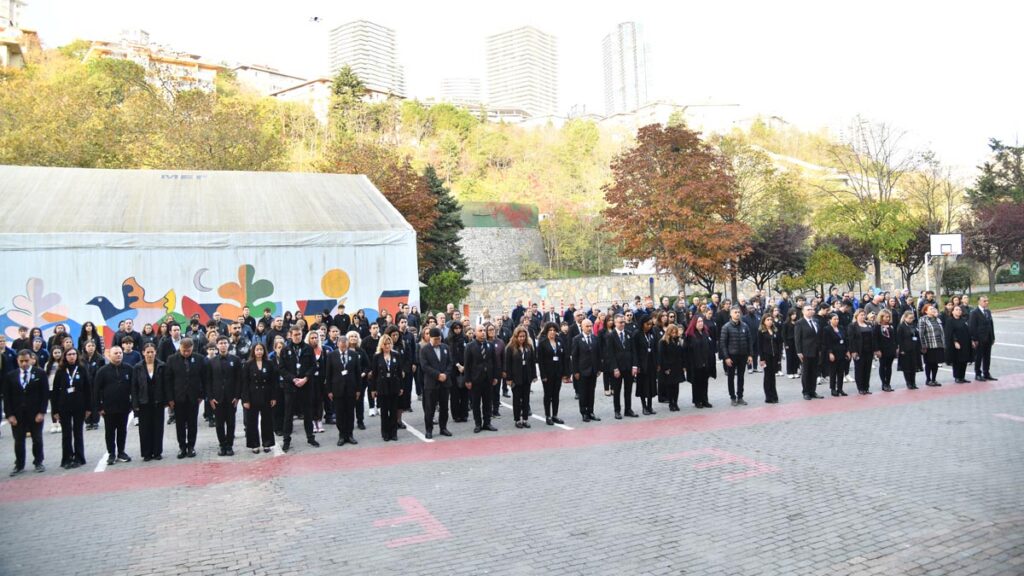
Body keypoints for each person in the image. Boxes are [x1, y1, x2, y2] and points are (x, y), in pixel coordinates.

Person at [3, 350, 49, 475]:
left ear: (31, 359)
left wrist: (42, 412)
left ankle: (38, 462)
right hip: (17, 414)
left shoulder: (40, 373)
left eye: (26, 361)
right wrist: (9, 415)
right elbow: (7, 398)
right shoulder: (10, 376)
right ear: (17, 361)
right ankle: (19, 464)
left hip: (35, 413)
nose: (24, 364)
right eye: (21, 361)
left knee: (37, 439)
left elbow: (45, 395)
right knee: (18, 440)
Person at [165, 338, 208, 458]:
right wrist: (170, 399)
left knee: (192, 423)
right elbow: (168, 380)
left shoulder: (199, 359)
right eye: (184, 350)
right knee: (180, 424)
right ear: (180, 348)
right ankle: (182, 447)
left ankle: (191, 447)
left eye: (188, 351)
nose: (186, 353)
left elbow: (204, 378)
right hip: (178, 397)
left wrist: (202, 395)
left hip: (194, 397)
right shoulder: (172, 359)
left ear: (192, 348)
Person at [279, 327, 319, 452]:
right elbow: (281, 368)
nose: (297, 336)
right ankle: (286, 440)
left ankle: (310, 437)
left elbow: (313, 366)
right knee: (288, 414)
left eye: (299, 334)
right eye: (295, 334)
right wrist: (293, 379)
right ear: (290, 335)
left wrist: (305, 378)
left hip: (305, 386)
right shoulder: (285, 350)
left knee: (308, 413)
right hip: (291, 387)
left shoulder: (308, 348)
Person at [94, 346, 133, 465]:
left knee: (122, 430)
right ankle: (111, 453)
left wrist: (132, 404)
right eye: (115, 353)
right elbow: (96, 390)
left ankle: (121, 451)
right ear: (109, 355)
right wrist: (99, 407)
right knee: (110, 431)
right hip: (108, 408)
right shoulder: (102, 371)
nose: (118, 355)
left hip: (124, 406)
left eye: (120, 353)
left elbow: (133, 387)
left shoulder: (128, 369)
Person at [51, 347, 89, 468]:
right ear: (65, 357)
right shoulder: (60, 371)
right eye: (69, 355)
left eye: (74, 354)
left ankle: (79, 457)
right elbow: (55, 392)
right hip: (64, 406)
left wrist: (89, 408)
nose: (72, 356)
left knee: (78, 433)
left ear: (77, 356)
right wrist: (55, 410)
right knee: (66, 434)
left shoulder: (82, 369)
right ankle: (67, 458)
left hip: (79, 406)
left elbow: (88, 389)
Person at [325, 335, 363, 446]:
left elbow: (358, 373)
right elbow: (328, 374)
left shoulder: (354, 355)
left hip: (351, 389)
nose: (343, 347)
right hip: (337, 389)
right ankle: (342, 435)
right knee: (340, 413)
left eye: (344, 346)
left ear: (347, 345)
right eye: (341, 346)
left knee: (350, 413)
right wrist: (329, 391)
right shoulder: (331, 355)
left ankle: (350, 435)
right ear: (338, 345)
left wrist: (358, 390)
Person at [207, 336, 241, 456]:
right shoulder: (211, 362)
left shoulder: (235, 360)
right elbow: (208, 381)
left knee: (231, 423)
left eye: (225, 343)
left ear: (228, 344)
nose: (223, 345)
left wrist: (237, 396)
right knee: (219, 423)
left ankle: (230, 446)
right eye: (220, 343)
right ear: (217, 345)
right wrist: (210, 398)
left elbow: (238, 379)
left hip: (231, 398)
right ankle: (222, 445)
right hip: (217, 398)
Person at [241, 343, 278, 453]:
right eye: (257, 349)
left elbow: (273, 382)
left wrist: (273, 397)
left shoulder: (269, 363)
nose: (259, 352)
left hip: (266, 396)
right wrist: (245, 400)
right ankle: (254, 444)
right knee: (252, 422)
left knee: (267, 421)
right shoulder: (248, 365)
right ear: (253, 351)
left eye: (261, 349)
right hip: (252, 397)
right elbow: (245, 383)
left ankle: (267, 443)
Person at [131, 343, 166, 461]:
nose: (150, 354)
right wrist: (135, 404)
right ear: (143, 353)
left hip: (158, 401)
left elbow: (165, 384)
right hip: (143, 401)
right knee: (144, 429)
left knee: (158, 427)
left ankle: (157, 452)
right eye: (148, 352)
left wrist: (166, 400)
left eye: (152, 352)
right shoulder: (137, 367)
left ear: (155, 352)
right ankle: (146, 453)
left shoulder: (161, 365)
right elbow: (134, 387)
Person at [418, 327, 453, 439]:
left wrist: (445, 374)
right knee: (430, 408)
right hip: (431, 383)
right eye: (436, 339)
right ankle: (429, 430)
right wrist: (438, 375)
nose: (438, 341)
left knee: (444, 407)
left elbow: (450, 363)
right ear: (430, 338)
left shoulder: (445, 348)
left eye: (439, 338)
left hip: (444, 383)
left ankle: (443, 428)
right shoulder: (424, 349)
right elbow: (425, 366)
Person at [465, 325, 499, 432]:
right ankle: (478, 424)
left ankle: (487, 423)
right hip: (475, 379)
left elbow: (494, 362)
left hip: (488, 379)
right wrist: (468, 380)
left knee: (488, 402)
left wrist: (495, 376)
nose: (483, 332)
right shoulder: (470, 346)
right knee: (476, 403)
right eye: (480, 331)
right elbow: (467, 365)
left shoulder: (490, 345)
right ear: (475, 333)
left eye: (484, 330)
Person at [369, 334, 404, 441]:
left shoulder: (396, 355)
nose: (387, 346)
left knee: (393, 411)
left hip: (394, 385)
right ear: (381, 345)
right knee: (384, 411)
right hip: (382, 387)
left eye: (389, 344)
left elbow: (399, 372)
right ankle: (385, 433)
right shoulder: (377, 356)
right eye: (385, 344)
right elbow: (374, 374)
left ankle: (394, 433)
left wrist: (401, 387)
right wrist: (373, 389)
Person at [603, 314, 636, 419]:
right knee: (616, 391)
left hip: (628, 367)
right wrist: (615, 368)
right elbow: (610, 354)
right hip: (617, 368)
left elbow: (634, 351)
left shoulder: (629, 334)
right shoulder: (610, 335)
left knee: (628, 389)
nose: (622, 324)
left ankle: (628, 409)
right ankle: (617, 411)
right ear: (615, 323)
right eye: (620, 322)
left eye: (623, 322)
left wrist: (634, 366)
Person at [535, 322, 569, 426]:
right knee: (548, 395)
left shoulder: (559, 341)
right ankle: (548, 416)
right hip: (547, 374)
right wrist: (543, 375)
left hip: (558, 373)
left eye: (554, 330)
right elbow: (540, 361)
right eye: (550, 330)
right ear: (546, 331)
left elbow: (564, 358)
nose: (552, 332)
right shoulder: (543, 343)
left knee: (556, 395)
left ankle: (555, 415)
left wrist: (565, 373)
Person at [718, 307, 752, 407]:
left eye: (738, 312)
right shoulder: (726, 327)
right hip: (731, 356)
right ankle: (732, 397)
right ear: (731, 314)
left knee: (741, 377)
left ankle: (740, 396)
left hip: (743, 355)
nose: (737, 314)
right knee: (731, 377)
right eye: (735, 312)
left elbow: (749, 341)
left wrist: (750, 354)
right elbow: (723, 344)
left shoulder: (745, 326)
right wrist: (726, 357)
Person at [505, 326, 537, 428]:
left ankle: (525, 419)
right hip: (515, 377)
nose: (522, 338)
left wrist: (534, 375)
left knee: (526, 398)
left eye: (524, 336)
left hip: (526, 376)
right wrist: (509, 379)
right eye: (520, 336)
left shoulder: (529, 347)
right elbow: (508, 365)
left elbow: (532, 362)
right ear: (516, 337)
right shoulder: (510, 348)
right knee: (517, 399)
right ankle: (517, 419)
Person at [571, 318, 602, 421]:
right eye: (587, 326)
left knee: (591, 392)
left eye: (590, 326)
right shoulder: (577, 339)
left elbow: (598, 355)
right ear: (582, 327)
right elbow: (574, 357)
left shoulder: (595, 338)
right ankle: (584, 412)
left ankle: (591, 411)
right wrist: (575, 371)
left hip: (593, 370)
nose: (589, 328)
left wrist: (598, 369)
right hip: (582, 371)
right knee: (583, 393)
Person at [794, 306, 824, 400]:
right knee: (806, 372)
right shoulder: (800, 323)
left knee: (814, 371)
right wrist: (799, 351)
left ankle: (812, 391)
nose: (811, 311)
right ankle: (806, 392)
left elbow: (818, 335)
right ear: (803, 312)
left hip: (816, 350)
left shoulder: (815, 321)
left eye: (812, 309)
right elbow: (797, 338)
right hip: (805, 351)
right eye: (808, 310)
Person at [632, 314, 658, 415]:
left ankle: (650, 406)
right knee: (643, 386)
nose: (649, 326)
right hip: (641, 365)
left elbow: (655, 348)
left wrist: (657, 363)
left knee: (651, 385)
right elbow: (635, 351)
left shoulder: (652, 333)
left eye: (651, 324)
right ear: (642, 324)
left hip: (651, 363)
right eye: (647, 324)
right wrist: (636, 365)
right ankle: (644, 406)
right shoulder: (637, 334)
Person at [847, 310, 876, 395]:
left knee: (867, 369)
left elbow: (873, 338)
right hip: (859, 351)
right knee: (859, 369)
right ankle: (860, 388)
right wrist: (853, 351)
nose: (863, 316)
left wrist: (874, 350)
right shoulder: (852, 326)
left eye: (864, 315)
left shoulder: (869, 324)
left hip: (869, 350)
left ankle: (866, 387)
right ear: (856, 316)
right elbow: (851, 339)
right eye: (861, 315)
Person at [658, 323, 685, 411]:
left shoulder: (677, 340)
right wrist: (665, 368)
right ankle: (671, 403)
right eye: (672, 333)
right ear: (668, 333)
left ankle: (676, 403)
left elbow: (681, 354)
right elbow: (662, 356)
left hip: (677, 366)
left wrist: (683, 366)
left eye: (675, 332)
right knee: (670, 386)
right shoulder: (663, 342)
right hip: (668, 367)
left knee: (676, 386)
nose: (674, 334)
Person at [968, 296, 996, 381]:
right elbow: (972, 326)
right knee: (978, 357)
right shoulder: (974, 312)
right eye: (984, 301)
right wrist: (974, 339)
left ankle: (986, 373)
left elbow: (991, 325)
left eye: (987, 301)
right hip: (979, 339)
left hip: (988, 337)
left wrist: (993, 337)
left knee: (987, 357)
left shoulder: (988, 311)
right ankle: (978, 374)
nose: (986, 302)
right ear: (979, 302)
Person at [918, 304, 945, 387]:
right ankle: (928, 379)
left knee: (935, 363)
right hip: (929, 345)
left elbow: (942, 332)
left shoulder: (938, 319)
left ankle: (934, 379)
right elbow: (921, 333)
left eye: (933, 308)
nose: (933, 310)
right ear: (926, 311)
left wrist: (943, 343)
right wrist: (923, 345)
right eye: (930, 309)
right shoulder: (923, 320)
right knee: (929, 363)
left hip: (938, 344)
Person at [446, 323, 469, 423]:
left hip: (465, 367)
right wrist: (457, 365)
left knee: (465, 393)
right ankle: (456, 415)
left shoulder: (465, 338)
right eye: (456, 328)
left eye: (460, 328)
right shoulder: (448, 339)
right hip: (453, 369)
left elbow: (467, 352)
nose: (458, 330)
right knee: (455, 394)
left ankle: (464, 414)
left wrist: (465, 366)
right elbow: (450, 354)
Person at [945, 305, 973, 384]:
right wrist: (955, 341)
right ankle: (957, 377)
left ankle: (962, 376)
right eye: (956, 310)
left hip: (965, 342)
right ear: (953, 311)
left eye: (960, 310)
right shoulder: (950, 321)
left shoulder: (963, 320)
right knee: (957, 361)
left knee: (964, 360)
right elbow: (950, 333)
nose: (959, 311)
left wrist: (971, 340)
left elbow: (967, 331)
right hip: (956, 344)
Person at [823, 314, 848, 397]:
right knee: (833, 372)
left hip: (842, 352)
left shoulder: (841, 328)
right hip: (833, 353)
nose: (837, 321)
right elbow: (826, 342)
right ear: (830, 320)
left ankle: (840, 388)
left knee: (841, 372)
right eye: (834, 319)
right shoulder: (827, 329)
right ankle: (833, 389)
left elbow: (845, 339)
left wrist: (847, 351)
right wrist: (830, 353)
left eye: (837, 319)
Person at [896, 311, 923, 390]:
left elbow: (917, 336)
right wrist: (901, 349)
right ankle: (908, 382)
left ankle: (913, 382)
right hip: (906, 349)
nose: (911, 319)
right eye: (910, 318)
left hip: (914, 348)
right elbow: (899, 339)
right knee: (907, 367)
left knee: (914, 366)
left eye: (912, 318)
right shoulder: (901, 326)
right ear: (905, 318)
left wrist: (920, 346)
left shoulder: (914, 325)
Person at [758, 315, 782, 403]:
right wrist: (762, 358)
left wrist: (779, 355)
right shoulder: (761, 331)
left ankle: (774, 395)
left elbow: (779, 343)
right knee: (767, 376)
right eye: (768, 320)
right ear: (764, 321)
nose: (770, 321)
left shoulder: (775, 330)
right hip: (766, 356)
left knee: (773, 376)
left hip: (774, 356)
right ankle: (768, 396)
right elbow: (760, 346)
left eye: (771, 319)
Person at [874, 309, 898, 392]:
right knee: (882, 366)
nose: (888, 318)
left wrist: (896, 348)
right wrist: (877, 350)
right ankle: (883, 383)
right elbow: (875, 339)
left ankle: (888, 383)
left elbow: (894, 337)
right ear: (881, 317)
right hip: (882, 349)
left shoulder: (891, 326)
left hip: (891, 348)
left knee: (889, 367)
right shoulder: (877, 326)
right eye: (886, 317)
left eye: (889, 317)